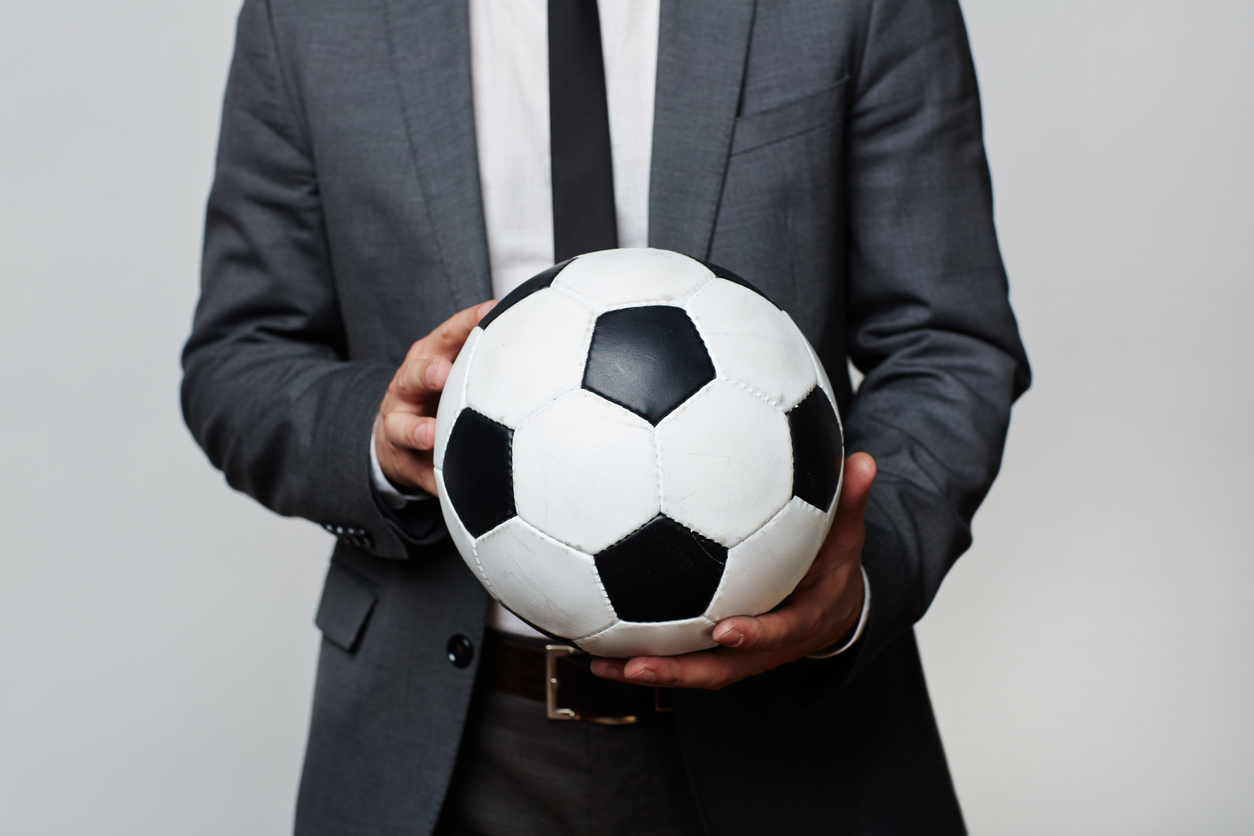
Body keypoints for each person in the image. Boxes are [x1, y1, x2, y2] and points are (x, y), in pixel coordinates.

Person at [182, 0, 1030, 833]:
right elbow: (241, 357)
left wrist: (855, 578)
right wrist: (379, 433)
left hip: (796, 745)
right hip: (439, 747)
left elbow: (948, 340)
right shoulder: (306, 18)